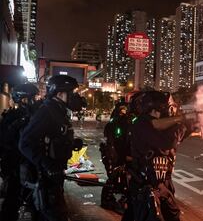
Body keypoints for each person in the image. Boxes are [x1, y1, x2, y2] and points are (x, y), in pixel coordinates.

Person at [18, 75, 86, 221]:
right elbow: (25, 143)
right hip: (45, 178)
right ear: (60, 93)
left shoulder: (59, 111)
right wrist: (46, 165)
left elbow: (53, 137)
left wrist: (72, 143)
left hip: (55, 177)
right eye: (71, 93)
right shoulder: (47, 111)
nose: (74, 96)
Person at [122, 90, 195, 221]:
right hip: (146, 187)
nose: (173, 111)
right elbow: (166, 142)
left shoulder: (156, 125)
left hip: (162, 185)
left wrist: (193, 123)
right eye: (170, 108)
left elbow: (176, 138)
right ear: (159, 109)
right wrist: (182, 124)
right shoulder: (142, 124)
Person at [0, 83, 39, 221]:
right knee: (13, 198)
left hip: (30, 164)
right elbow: (5, 140)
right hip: (15, 166)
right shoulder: (12, 117)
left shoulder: (35, 116)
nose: (34, 101)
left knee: (36, 201)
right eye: (31, 98)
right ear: (22, 99)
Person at [100, 100, 130, 211]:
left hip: (123, 154)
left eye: (125, 109)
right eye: (122, 109)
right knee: (113, 177)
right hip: (114, 155)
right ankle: (107, 200)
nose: (124, 112)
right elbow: (109, 142)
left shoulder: (129, 121)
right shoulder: (113, 123)